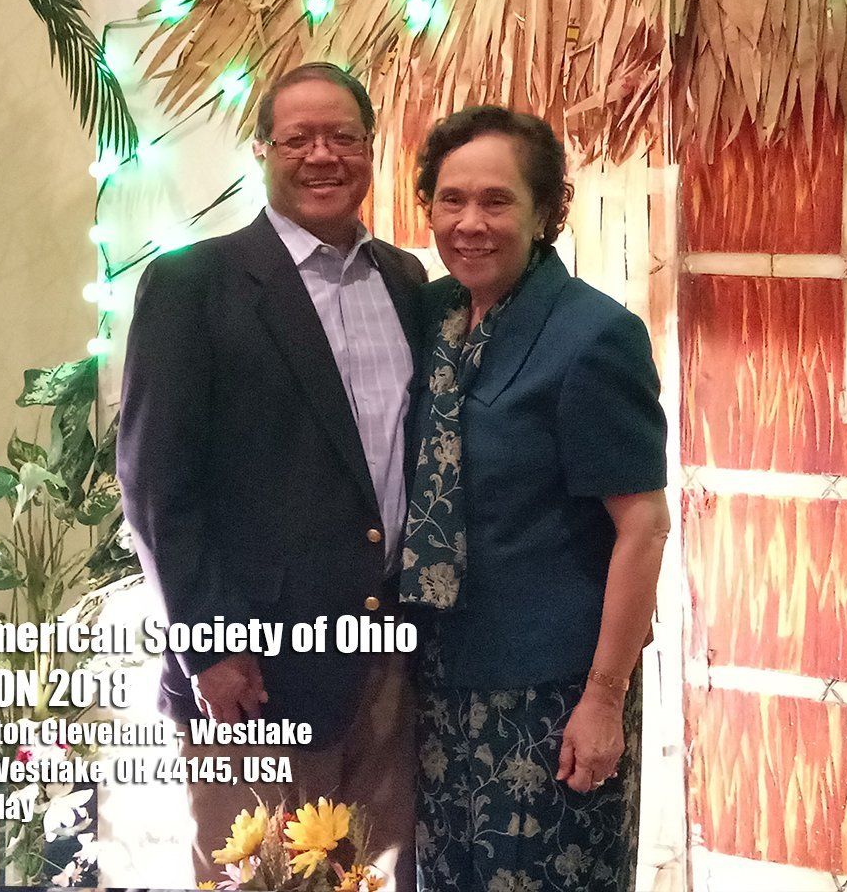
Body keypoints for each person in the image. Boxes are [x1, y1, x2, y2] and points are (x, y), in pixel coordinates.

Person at [117, 63, 427, 889]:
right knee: (255, 879)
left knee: (372, 874)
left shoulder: (405, 281)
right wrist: (210, 646)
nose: (323, 156)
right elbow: (155, 487)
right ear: (261, 150)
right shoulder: (193, 284)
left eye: (343, 137)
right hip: (254, 672)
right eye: (299, 139)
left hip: (385, 663)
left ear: (370, 148)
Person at [402, 106, 672, 892]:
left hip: (551, 696)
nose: (470, 223)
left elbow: (644, 528)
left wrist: (604, 700)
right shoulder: (434, 318)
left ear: (546, 210)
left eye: (497, 201)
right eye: (452, 200)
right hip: (440, 683)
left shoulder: (593, 336)